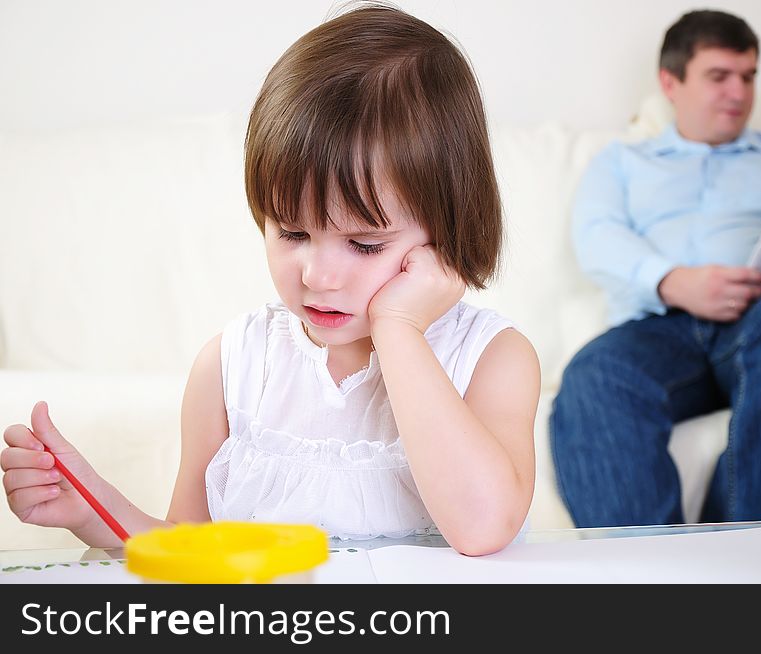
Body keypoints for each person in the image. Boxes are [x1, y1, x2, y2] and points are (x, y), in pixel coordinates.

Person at [0, 5, 540, 556]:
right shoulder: (233, 367)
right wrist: (93, 510)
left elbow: (482, 527)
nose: (318, 275)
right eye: (291, 233)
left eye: (365, 243)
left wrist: (399, 327)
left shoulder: (492, 359)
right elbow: (192, 557)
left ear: (449, 226)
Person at [551, 9, 761, 528]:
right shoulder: (622, 162)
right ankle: (654, 584)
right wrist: (673, 281)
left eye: (749, 77)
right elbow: (598, 238)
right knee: (595, 375)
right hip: (661, 328)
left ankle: (747, 559)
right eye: (719, 76)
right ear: (670, 82)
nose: (739, 93)